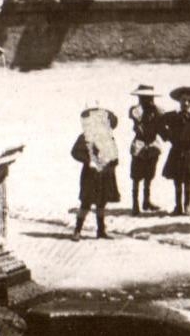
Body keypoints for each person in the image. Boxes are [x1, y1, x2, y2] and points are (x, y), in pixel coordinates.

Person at [70, 101, 120, 240]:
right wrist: (88, 161)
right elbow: (75, 152)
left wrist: (111, 162)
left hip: (105, 175)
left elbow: (115, 156)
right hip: (90, 176)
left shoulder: (108, 138)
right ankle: (77, 230)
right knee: (86, 203)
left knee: (101, 203)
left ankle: (101, 230)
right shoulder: (85, 137)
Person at [158, 86, 190, 216]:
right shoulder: (172, 116)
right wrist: (168, 136)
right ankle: (178, 206)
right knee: (177, 180)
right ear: (179, 100)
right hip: (176, 151)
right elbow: (159, 124)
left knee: (188, 180)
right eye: (183, 100)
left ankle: (187, 205)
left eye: (189, 101)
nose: (186, 103)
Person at [127, 84, 163, 214]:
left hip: (152, 144)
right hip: (140, 144)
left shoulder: (156, 110)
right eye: (144, 97)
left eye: (149, 97)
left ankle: (146, 201)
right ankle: (135, 204)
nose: (148, 100)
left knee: (149, 175)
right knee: (136, 176)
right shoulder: (136, 110)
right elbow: (136, 118)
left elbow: (162, 118)